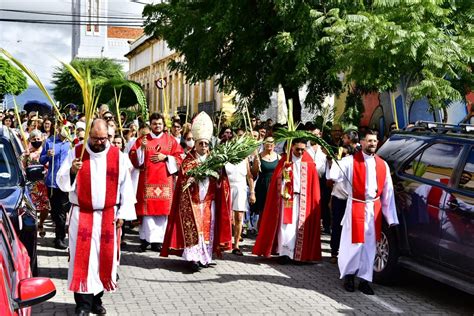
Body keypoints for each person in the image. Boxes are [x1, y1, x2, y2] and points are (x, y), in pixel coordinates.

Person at [56, 119, 135, 315]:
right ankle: (82, 304)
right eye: (95, 138)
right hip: (81, 214)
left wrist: (123, 214)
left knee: (104, 259)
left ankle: (97, 300)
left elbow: (127, 187)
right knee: (81, 259)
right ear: (89, 135)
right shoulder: (77, 153)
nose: (100, 142)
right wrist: (73, 171)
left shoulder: (118, 156)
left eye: (104, 138)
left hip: (108, 216)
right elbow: (61, 180)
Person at [328, 130, 398, 295]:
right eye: (369, 141)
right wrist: (336, 162)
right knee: (354, 244)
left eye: (374, 141)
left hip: (374, 207)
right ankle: (349, 276)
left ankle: (365, 279)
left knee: (369, 246)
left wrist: (391, 217)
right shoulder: (350, 161)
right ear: (362, 142)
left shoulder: (382, 164)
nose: (372, 144)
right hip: (356, 206)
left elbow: (388, 191)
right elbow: (334, 175)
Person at [161, 112, 232, 272]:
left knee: (207, 230)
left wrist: (218, 175)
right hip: (192, 201)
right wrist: (194, 176)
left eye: (206, 144)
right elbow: (184, 176)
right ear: (196, 144)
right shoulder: (189, 159)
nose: (204, 147)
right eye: (201, 144)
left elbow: (222, 180)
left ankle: (205, 257)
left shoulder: (214, 159)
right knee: (195, 229)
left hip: (208, 201)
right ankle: (193, 258)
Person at [253, 138, 322, 263]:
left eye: (302, 149)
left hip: (302, 199)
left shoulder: (309, 162)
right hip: (287, 197)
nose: (300, 152)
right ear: (292, 147)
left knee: (299, 226)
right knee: (285, 226)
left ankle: (298, 254)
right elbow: (276, 180)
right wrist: (284, 174)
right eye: (297, 149)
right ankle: (284, 253)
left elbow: (313, 184)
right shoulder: (285, 160)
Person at [129, 113, 183, 252]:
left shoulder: (171, 141)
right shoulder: (143, 140)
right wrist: (141, 148)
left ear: (163, 125)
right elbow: (134, 158)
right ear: (150, 125)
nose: (157, 126)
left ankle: (158, 241)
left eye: (159, 123)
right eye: (154, 123)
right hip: (147, 181)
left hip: (165, 180)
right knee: (147, 214)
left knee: (162, 213)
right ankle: (145, 239)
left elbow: (180, 158)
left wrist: (166, 157)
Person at [40, 120, 72, 250]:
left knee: (63, 211)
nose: (66, 130)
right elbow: (41, 159)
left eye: (69, 128)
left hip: (67, 181)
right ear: (59, 128)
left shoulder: (72, 143)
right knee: (57, 211)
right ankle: (59, 237)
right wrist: (47, 155)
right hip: (53, 182)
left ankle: (60, 237)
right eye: (64, 127)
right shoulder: (50, 141)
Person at [225, 152, 255, 256]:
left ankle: (236, 245)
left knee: (239, 217)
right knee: (226, 216)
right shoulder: (226, 156)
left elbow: (249, 176)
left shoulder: (245, 158)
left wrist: (252, 192)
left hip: (241, 188)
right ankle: (224, 241)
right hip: (228, 187)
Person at [23, 130, 50, 238]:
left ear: (42, 139)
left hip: (43, 183)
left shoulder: (45, 152)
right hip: (31, 184)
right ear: (30, 140)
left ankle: (41, 223)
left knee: (45, 207)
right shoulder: (27, 152)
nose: (36, 140)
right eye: (34, 139)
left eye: (38, 139)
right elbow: (22, 167)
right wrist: (25, 156)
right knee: (31, 207)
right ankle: (33, 224)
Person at [251, 136, 279, 230]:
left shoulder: (278, 156)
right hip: (262, 186)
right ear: (264, 144)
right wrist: (256, 163)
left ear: (274, 144)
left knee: (273, 209)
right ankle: (261, 230)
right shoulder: (258, 156)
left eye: (271, 142)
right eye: (267, 142)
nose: (269, 144)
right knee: (262, 210)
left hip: (274, 186)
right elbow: (254, 174)